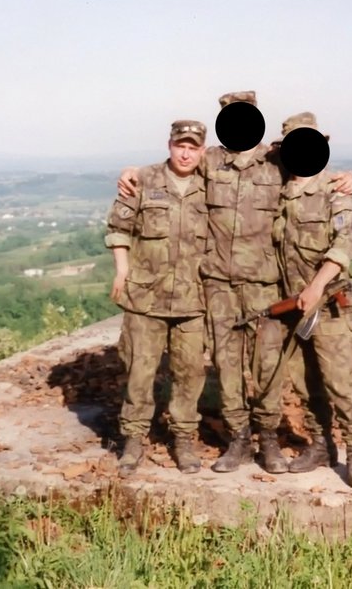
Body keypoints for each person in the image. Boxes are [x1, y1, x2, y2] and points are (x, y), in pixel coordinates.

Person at [118, 91, 352, 475]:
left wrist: (346, 178)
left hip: (264, 287)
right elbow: (169, 168)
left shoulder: (275, 161)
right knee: (227, 367)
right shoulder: (210, 161)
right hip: (218, 286)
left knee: (267, 368)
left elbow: (311, 170)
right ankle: (239, 440)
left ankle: (269, 441)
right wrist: (131, 171)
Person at [105, 119, 209, 476]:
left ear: (202, 150)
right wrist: (122, 269)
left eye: (193, 147)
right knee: (140, 371)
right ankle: (133, 440)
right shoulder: (143, 180)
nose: (185, 152)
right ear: (169, 144)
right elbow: (119, 229)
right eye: (181, 144)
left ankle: (183, 439)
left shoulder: (212, 186)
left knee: (189, 373)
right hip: (145, 298)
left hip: (194, 300)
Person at [273, 112, 352, 488]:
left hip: (328, 303)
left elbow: (345, 244)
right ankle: (319, 444)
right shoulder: (279, 190)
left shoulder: (336, 191)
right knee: (304, 380)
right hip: (293, 306)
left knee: (339, 380)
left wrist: (316, 286)